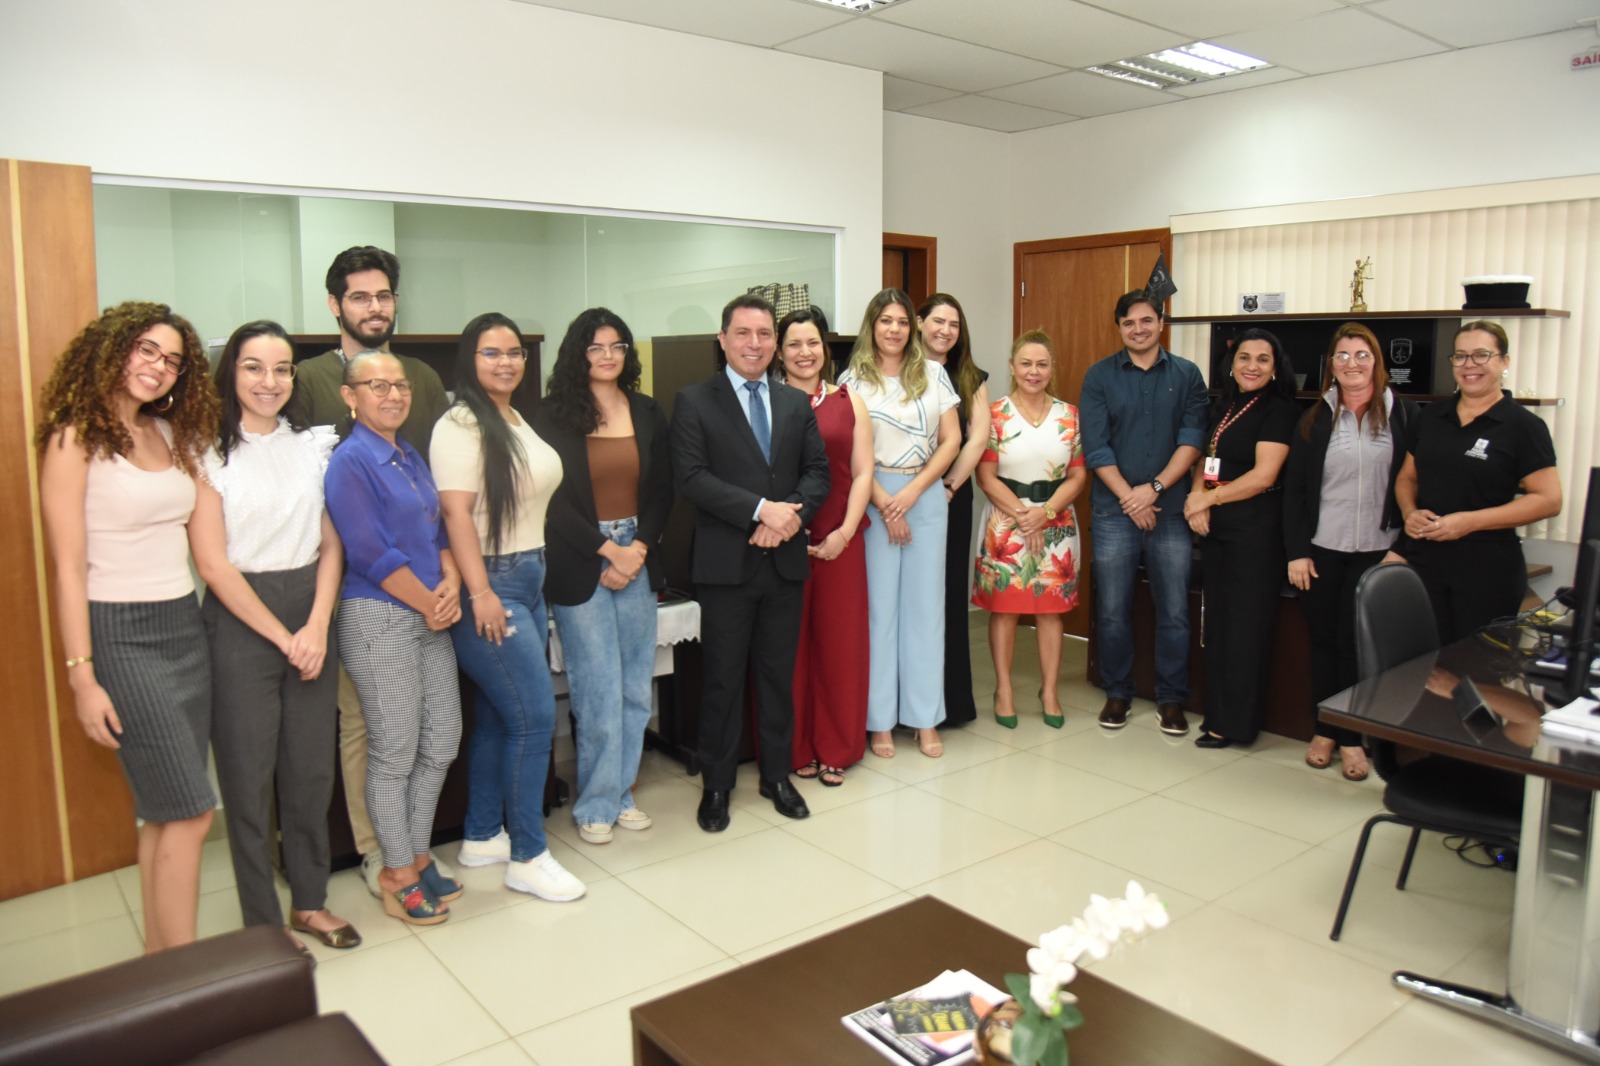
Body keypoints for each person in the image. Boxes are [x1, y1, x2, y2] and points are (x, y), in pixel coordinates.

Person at [37, 301, 221, 952]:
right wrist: (82, 676)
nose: (159, 367)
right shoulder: (73, 438)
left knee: (166, 812)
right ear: (113, 350)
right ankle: (182, 971)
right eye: (146, 350)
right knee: (194, 811)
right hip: (119, 635)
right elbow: (67, 568)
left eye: (172, 360)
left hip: (183, 627)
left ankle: (159, 961)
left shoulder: (169, 433)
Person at [187, 321, 358, 950]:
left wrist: (316, 623)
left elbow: (332, 543)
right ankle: (262, 925)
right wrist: (285, 639)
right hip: (241, 621)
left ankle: (310, 903)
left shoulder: (310, 445)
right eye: (254, 367)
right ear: (231, 372)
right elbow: (213, 564)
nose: (270, 381)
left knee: (310, 772)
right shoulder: (206, 453)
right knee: (248, 779)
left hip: (311, 610)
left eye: (282, 368)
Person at [294, 246, 451, 896]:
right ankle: (378, 852)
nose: (375, 307)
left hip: (419, 581)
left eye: (384, 295)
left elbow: (431, 477)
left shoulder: (423, 377)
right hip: (347, 585)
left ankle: (409, 849)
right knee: (369, 725)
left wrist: (444, 579)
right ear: (336, 304)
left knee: (427, 732)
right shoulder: (305, 378)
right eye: (360, 297)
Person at [432, 313, 585, 900]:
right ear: (470, 359)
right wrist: (480, 593)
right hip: (492, 580)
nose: (506, 362)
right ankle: (527, 855)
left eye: (514, 352)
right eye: (491, 353)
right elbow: (455, 514)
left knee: (501, 715)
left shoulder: (513, 417)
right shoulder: (460, 424)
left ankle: (480, 836)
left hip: (528, 575)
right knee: (534, 717)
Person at [671, 294, 830, 832]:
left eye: (764, 334)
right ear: (723, 340)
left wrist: (786, 519)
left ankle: (776, 776)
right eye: (742, 333)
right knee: (721, 680)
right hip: (725, 567)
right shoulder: (695, 401)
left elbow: (817, 473)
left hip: (783, 564)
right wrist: (762, 510)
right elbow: (691, 477)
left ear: (774, 343)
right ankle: (717, 785)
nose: (754, 343)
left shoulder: (793, 402)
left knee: (777, 676)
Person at [324, 351, 463, 925]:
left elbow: (438, 531)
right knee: (395, 749)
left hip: (429, 611)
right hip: (379, 616)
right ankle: (396, 872)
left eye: (399, 385)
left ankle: (418, 852)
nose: (393, 395)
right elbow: (368, 552)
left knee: (443, 738)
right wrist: (432, 602)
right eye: (377, 386)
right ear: (350, 396)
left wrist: (451, 581)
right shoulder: (350, 460)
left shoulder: (408, 453)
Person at [535, 308, 672, 842]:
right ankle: (595, 804)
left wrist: (635, 549)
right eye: (596, 347)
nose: (608, 356)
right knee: (596, 691)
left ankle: (622, 794)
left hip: (637, 550)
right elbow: (551, 500)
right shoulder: (552, 414)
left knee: (635, 688)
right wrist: (607, 552)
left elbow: (663, 489)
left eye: (617, 346)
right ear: (578, 353)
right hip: (581, 557)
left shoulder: (646, 409)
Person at [1284, 323, 1420, 781]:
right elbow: (1296, 491)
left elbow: (1418, 484)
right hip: (1322, 551)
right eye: (1342, 355)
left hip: (1380, 553)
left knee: (1358, 648)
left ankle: (1353, 736)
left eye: (1361, 355)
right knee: (1324, 644)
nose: (1352, 364)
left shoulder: (1404, 414)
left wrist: (1404, 547)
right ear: (1331, 365)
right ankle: (1326, 729)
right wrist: (1297, 552)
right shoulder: (1314, 417)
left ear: (1376, 361)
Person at [1079, 289, 1208, 735]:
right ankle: (1118, 692)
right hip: (1113, 513)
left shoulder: (1188, 375)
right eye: (1129, 322)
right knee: (1112, 609)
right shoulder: (1099, 376)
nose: (1139, 329)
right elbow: (1096, 447)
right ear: (1119, 327)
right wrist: (1131, 499)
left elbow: (1192, 441)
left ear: (1161, 323)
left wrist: (1152, 490)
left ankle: (1171, 699)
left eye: (1147, 320)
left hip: (1170, 511)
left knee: (1174, 610)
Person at [840, 288, 961, 759]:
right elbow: (850, 452)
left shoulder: (933, 373)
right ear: (872, 325)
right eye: (886, 320)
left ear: (914, 328)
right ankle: (880, 721)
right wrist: (886, 502)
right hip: (872, 498)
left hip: (924, 494)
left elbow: (951, 440)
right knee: (880, 612)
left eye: (903, 321)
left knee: (926, 612)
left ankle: (925, 717)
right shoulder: (852, 380)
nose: (895, 329)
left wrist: (912, 493)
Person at [1388, 320, 1561, 642]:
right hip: (1425, 563)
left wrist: (1469, 522)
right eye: (1460, 356)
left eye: (1481, 355)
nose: (1470, 365)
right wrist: (1409, 512)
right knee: (1422, 662)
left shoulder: (1523, 426)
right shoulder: (1431, 416)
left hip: (1488, 570)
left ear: (1504, 361)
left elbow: (1549, 500)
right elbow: (1407, 477)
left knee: (1477, 666)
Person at [1183, 328, 1297, 748]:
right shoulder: (1226, 404)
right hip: (1219, 532)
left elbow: (1263, 475)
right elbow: (1207, 459)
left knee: (1244, 630)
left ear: (1275, 367)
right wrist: (1197, 497)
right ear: (1231, 364)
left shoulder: (1280, 410)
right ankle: (1218, 714)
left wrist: (1207, 500)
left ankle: (1236, 725)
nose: (1252, 366)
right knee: (1218, 625)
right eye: (1244, 357)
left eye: (1263, 359)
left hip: (1255, 532)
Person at [774, 308, 872, 785]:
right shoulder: (766, 402)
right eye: (794, 344)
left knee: (839, 648)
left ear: (825, 349)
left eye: (812, 342)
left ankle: (836, 746)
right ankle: (793, 747)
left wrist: (845, 532)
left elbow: (864, 471)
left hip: (840, 542)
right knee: (787, 651)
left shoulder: (850, 401)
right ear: (779, 352)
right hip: (780, 542)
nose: (804, 352)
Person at [972, 331, 1087, 728]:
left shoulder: (1070, 416)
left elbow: (1078, 476)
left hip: (1057, 525)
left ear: (1052, 368)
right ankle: (1003, 690)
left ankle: (1049, 690)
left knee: (1051, 612)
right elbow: (985, 476)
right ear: (1012, 366)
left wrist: (1046, 512)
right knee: (1005, 610)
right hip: (1006, 524)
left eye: (1041, 364)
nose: (1033, 372)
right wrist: (1025, 515)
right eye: (1026, 363)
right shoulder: (995, 414)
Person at [919, 294, 988, 729]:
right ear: (919, 323)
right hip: (901, 496)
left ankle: (949, 702)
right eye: (938, 321)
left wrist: (947, 485)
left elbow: (977, 438)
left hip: (949, 496)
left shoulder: (969, 376)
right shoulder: (901, 371)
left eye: (954, 324)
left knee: (945, 593)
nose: (946, 330)